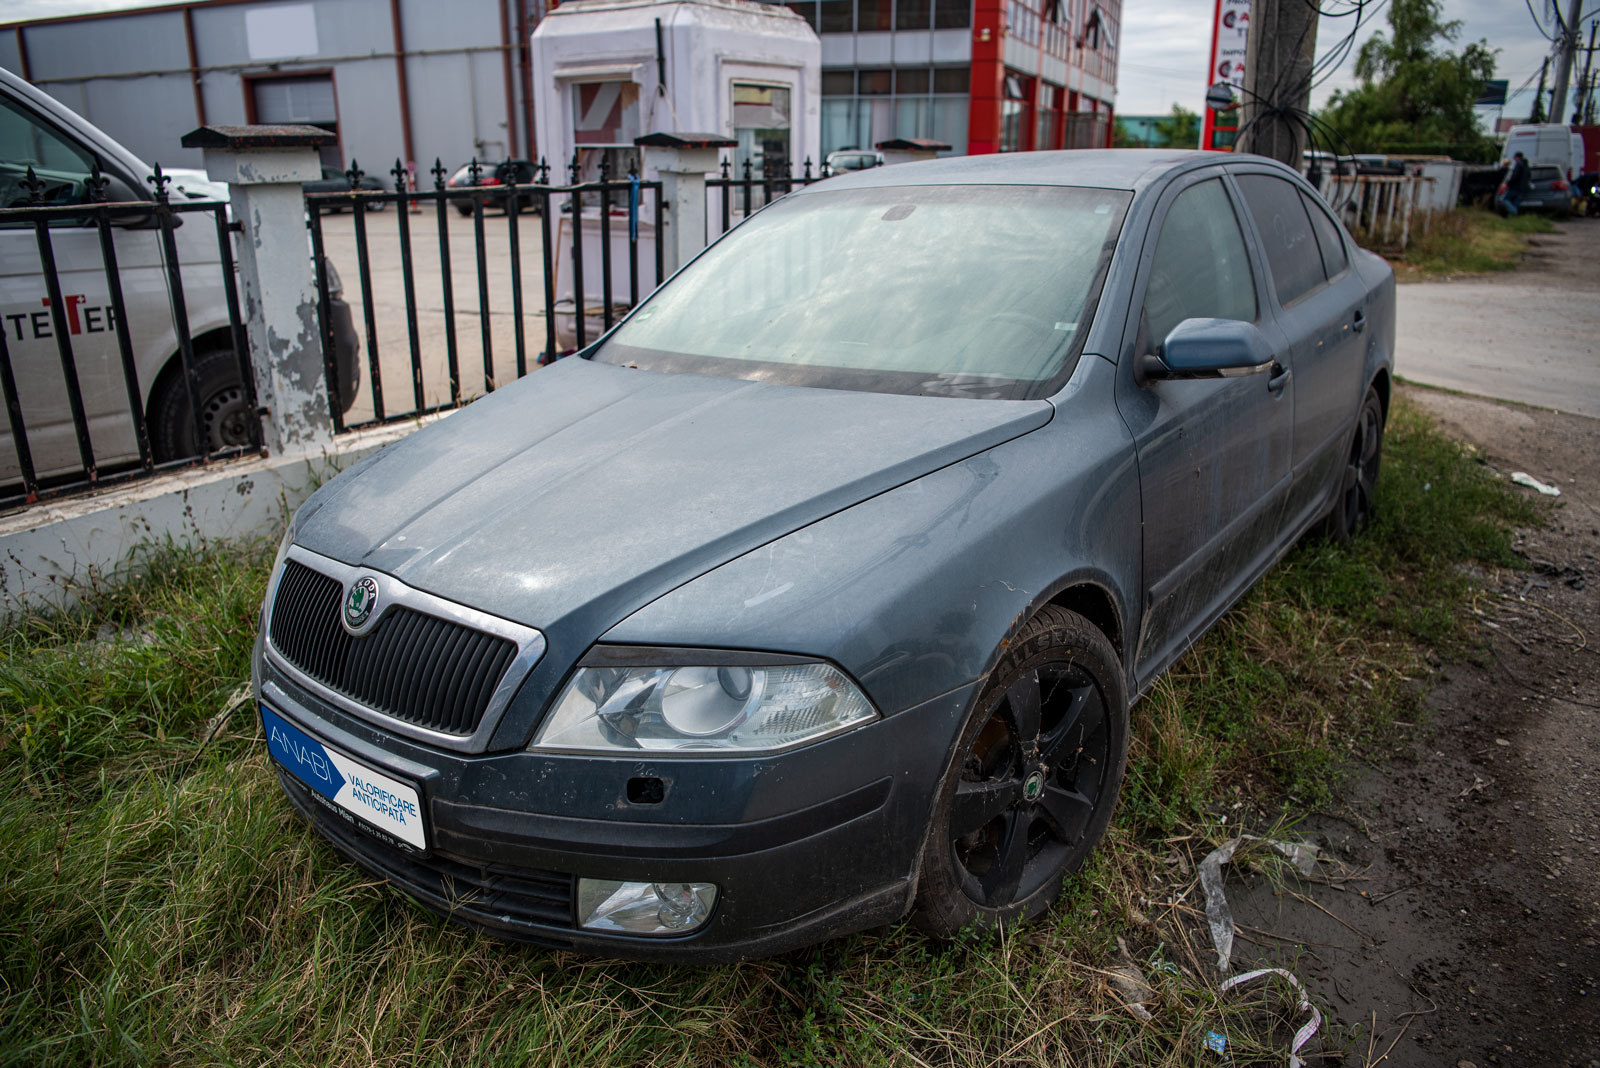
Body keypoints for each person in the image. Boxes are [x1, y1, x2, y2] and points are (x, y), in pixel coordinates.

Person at [1501, 151, 1532, 217]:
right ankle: (1512, 217)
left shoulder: (1519, 164)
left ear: (1517, 157)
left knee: (1504, 199)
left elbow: (1514, 176)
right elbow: (1529, 176)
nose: (1514, 159)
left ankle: (1514, 212)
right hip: (1523, 189)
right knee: (1515, 204)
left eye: (1514, 158)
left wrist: (1507, 184)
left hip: (1515, 188)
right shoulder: (1526, 166)